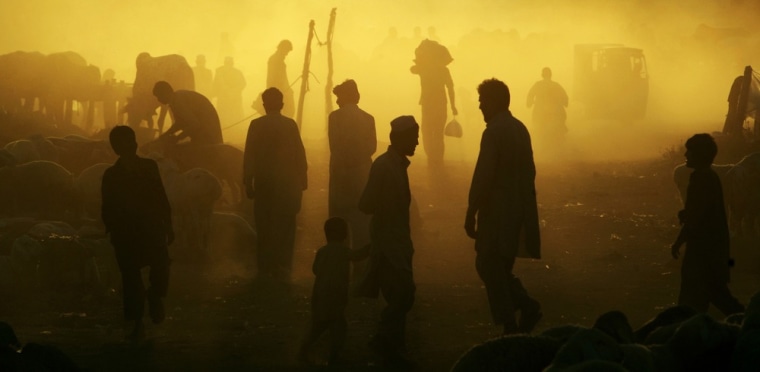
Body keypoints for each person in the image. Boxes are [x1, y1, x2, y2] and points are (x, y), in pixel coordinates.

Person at [465, 78, 542, 335]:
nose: (479, 107)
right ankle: (523, 309)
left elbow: (483, 176)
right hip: (517, 207)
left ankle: (513, 319)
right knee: (501, 266)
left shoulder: (493, 133)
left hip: (496, 210)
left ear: (495, 102)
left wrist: (471, 211)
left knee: (488, 264)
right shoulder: (520, 128)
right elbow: (530, 171)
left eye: (482, 101)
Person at [356, 115, 419, 368]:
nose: (417, 143)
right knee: (403, 295)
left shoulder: (393, 165)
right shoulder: (384, 166)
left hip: (397, 239)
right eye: (413, 138)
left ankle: (392, 345)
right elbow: (366, 204)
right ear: (400, 139)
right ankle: (386, 340)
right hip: (389, 241)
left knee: (399, 295)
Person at [101, 125, 174, 341]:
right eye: (124, 143)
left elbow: (161, 197)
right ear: (116, 148)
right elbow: (108, 206)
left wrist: (168, 224)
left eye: (131, 141)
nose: (130, 145)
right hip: (126, 232)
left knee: (161, 266)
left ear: (136, 143)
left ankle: (155, 295)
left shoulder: (150, 167)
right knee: (131, 279)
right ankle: (137, 322)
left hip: (150, 228)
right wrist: (112, 230)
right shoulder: (112, 175)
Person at [671, 133, 744, 316]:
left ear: (699, 155)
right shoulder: (710, 177)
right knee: (715, 294)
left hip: (703, 250)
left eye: (690, 151)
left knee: (694, 297)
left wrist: (679, 241)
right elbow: (700, 209)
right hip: (714, 248)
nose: (686, 155)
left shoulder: (700, 179)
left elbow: (695, 217)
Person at [243, 87, 307, 283]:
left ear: (263, 105)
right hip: (287, 184)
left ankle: (265, 267)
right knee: (286, 225)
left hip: (264, 183)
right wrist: (302, 181)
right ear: (282, 104)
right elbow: (300, 155)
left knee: (264, 225)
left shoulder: (256, 125)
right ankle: (284, 266)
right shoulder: (290, 125)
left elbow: (249, 156)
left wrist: (247, 182)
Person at [298, 217, 369, 365]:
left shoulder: (322, 251)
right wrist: (372, 247)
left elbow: (315, 269)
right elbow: (358, 256)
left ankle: (304, 350)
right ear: (345, 235)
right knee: (339, 327)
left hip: (319, 296)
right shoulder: (343, 251)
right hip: (335, 296)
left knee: (318, 325)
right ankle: (334, 356)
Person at [328, 79, 376, 250]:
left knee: (339, 221)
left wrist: (345, 163)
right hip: (362, 174)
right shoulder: (368, 118)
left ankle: (340, 261)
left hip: (340, 175)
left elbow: (334, 146)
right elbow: (372, 147)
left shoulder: (334, 117)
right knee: (362, 222)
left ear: (343, 97)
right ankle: (361, 265)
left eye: (338, 97)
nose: (337, 101)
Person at [410, 39, 457, 167]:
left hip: (427, 105)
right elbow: (450, 88)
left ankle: (431, 157)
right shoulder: (444, 70)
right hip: (441, 104)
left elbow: (412, 69)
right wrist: (453, 106)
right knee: (438, 133)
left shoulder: (424, 68)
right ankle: (437, 159)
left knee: (427, 131)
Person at [152, 81, 223, 145]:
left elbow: (195, 125)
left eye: (159, 96)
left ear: (165, 94)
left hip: (207, 127)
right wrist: (167, 134)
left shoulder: (179, 102)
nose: (158, 100)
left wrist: (177, 138)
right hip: (202, 125)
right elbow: (179, 123)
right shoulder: (175, 100)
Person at [526, 67, 568, 146]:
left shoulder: (538, 84)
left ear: (542, 75)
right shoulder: (556, 85)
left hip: (541, 113)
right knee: (560, 126)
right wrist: (564, 103)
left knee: (538, 129)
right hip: (553, 113)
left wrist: (529, 103)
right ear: (550, 75)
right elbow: (564, 97)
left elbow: (530, 95)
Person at [213, 56, 247, 126]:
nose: (228, 65)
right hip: (224, 99)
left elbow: (242, 84)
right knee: (223, 117)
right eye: (227, 63)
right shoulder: (219, 73)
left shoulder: (237, 72)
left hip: (233, 99)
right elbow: (215, 85)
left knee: (234, 117)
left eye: (229, 63)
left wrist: (235, 91)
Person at [266, 40, 295, 118]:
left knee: (288, 111)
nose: (287, 54)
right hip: (277, 91)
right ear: (282, 48)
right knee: (284, 112)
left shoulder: (278, 60)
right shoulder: (274, 60)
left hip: (282, 90)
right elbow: (273, 77)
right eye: (287, 51)